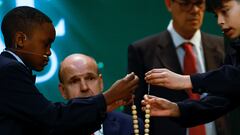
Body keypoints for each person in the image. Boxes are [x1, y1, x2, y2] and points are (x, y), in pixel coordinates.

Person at [0, 6, 139, 135]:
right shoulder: (9, 70)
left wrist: (102, 108)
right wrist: (108, 97)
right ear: (20, 40)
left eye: (90, 78)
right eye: (46, 44)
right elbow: (52, 119)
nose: (49, 52)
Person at [124, 0, 226, 134]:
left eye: (199, 3)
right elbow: (134, 112)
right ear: (169, 4)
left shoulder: (223, 47)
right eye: (185, 3)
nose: (194, 10)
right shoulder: (143, 51)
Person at [142, 0, 240, 130]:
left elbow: (235, 77)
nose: (220, 21)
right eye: (217, 15)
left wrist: (187, 80)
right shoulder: (234, 46)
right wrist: (177, 109)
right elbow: (224, 98)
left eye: (225, 11)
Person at [57, 53, 144, 135]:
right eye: (74, 81)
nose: (84, 87)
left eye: (90, 78)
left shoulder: (131, 126)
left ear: (101, 82)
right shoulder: (51, 130)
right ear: (63, 91)